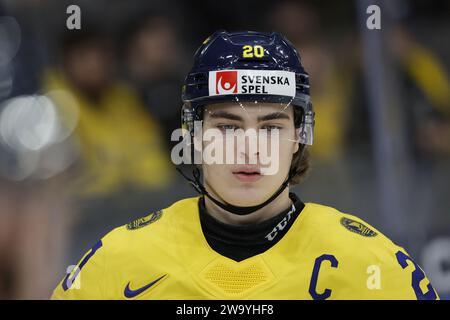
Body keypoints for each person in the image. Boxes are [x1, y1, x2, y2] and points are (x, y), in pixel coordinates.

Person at [51, 31, 438, 300]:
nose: (250, 150)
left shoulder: (375, 269)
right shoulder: (112, 267)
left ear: (299, 137)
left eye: (271, 127)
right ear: (193, 134)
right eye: (226, 126)